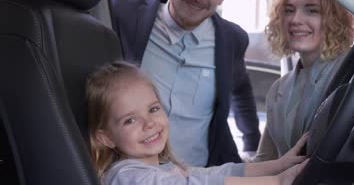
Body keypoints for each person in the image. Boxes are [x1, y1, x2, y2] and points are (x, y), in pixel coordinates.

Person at [111, 0, 260, 166]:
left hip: (198, 175)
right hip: (130, 173)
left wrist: (251, 144)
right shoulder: (126, 10)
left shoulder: (233, 39)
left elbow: (240, 89)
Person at [87, 61, 309, 185]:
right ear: (105, 138)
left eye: (153, 109)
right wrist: (276, 182)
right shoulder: (125, 176)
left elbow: (211, 176)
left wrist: (279, 166)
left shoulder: (164, 168)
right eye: (130, 120)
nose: (149, 123)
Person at [254, 0, 354, 161]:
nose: (296, 20)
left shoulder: (351, 74)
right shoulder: (278, 88)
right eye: (289, 10)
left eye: (312, 10)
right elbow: (265, 159)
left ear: (333, 19)